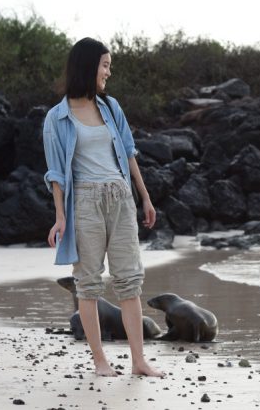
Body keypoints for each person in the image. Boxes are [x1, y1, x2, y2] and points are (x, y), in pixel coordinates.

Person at [42, 37, 163, 377]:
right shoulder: (57, 118)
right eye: (105, 65)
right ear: (88, 65)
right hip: (85, 201)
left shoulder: (111, 107)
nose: (109, 72)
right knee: (89, 284)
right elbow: (55, 174)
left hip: (121, 198)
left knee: (130, 280)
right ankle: (100, 362)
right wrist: (60, 217)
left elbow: (128, 151)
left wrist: (144, 196)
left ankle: (139, 362)